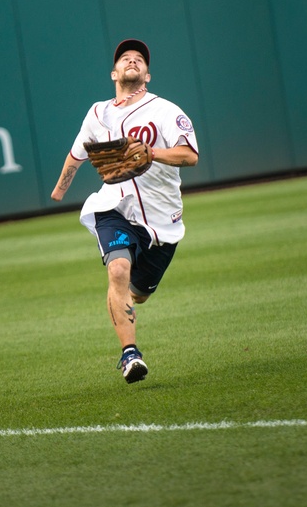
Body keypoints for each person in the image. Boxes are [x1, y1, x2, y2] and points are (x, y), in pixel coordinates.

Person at [50, 39, 199, 384]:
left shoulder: (164, 111)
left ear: (147, 75)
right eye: (124, 58)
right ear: (114, 73)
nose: (132, 60)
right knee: (117, 270)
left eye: (139, 59)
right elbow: (77, 154)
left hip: (162, 222)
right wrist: (60, 189)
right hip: (114, 207)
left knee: (139, 293)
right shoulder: (98, 113)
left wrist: (152, 152)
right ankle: (130, 355)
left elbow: (190, 156)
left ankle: (124, 301)